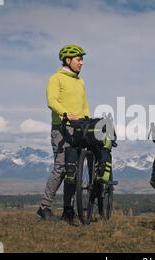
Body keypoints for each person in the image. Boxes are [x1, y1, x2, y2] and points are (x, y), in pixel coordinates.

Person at [36, 44, 89, 226]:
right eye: (78, 59)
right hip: (61, 128)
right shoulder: (56, 78)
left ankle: (68, 211)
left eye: (82, 59)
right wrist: (65, 113)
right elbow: (51, 101)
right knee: (61, 167)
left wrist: (87, 120)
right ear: (68, 60)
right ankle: (44, 207)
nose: (81, 62)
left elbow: (84, 105)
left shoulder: (80, 82)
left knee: (72, 169)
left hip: (78, 128)